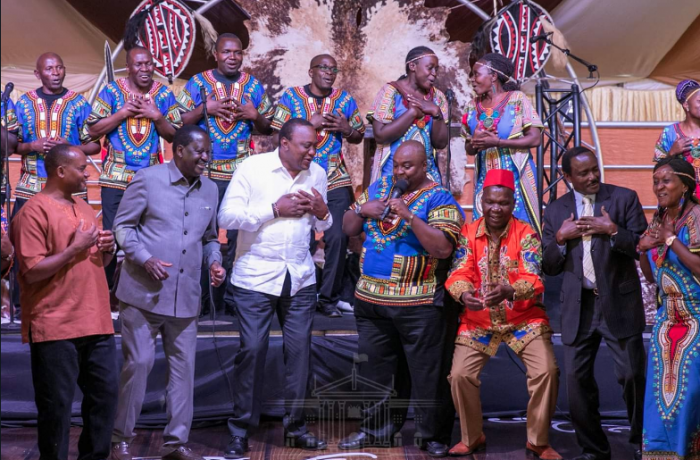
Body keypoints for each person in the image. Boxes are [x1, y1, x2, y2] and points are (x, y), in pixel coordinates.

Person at [339, 140, 464, 457]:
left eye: (407, 166)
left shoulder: (440, 198)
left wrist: (410, 217)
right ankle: (375, 431)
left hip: (419, 303)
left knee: (428, 374)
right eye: (396, 164)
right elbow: (348, 228)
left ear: (424, 167)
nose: (399, 171)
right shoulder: (379, 188)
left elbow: (443, 248)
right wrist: (359, 209)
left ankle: (432, 435)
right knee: (376, 372)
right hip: (371, 301)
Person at [110, 125, 225, 460]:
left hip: (186, 297)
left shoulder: (211, 189)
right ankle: (120, 439)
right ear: (178, 150)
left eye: (208, 152)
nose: (206, 158)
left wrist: (215, 262)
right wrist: (145, 259)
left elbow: (209, 238)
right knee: (140, 363)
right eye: (199, 152)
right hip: (142, 294)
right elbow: (123, 227)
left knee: (183, 371)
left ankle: (175, 444)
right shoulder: (148, 179)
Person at [218, 118, 330, 458]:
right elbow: (227, 217)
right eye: (305, 146)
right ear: (284, 143)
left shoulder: (318, 175)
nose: (312, 152)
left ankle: (295, 428)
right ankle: (240, 429)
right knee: (252, 350)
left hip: (299, 278)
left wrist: (324, 214)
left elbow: (322, 223)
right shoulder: (253, 168)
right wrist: (272, 210)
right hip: (254, 277)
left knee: (299, 356)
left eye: (314, 146)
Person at [10, 144, 118, 460]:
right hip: (55, 325)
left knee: (105, 398)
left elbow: (94, 258)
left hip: (96, 320)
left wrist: (106, 248)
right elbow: (30, 272)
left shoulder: (84, 207)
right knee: (56, 408)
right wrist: (74, 248)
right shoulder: (32, 211)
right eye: (82, 168)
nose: (88, 173)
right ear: (60, 171)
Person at [445, 169, 561, 459]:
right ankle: (472, 437)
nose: (496, 208)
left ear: (513, 203)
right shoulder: (468, 233)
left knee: (546, 371)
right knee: (460, 375)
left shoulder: (527, 234)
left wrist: (511, 290)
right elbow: (459, 270)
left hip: (524, 319)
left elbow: (534, 276)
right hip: (478, 321)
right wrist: (463, 293)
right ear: (481, 201)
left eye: (504, 203)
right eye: (490, 202)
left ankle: (538, 440)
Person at [542, 147, 647, 460]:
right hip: (579, 306)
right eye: (583, 173)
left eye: (594, 170)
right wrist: (560, 239)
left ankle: (644, 443)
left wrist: (613, 230)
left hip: (618, 301)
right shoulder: (556, 210)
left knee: (632, 376)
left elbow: (643, 247)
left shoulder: (623, 198)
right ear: (567, 177)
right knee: (577, 384)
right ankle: (593, 450)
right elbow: (548, 266)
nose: (592, 177)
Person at [178, 33, 274, 313]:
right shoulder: (198, 83)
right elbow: (176, 121)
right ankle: (199, 302)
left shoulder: (252, 85)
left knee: (237, 240)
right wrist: (203, 109)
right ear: (216, 55)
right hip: (203, 173)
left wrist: (255, 116)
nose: (232, 57)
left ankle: (231, 301)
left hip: (241, 174)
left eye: (237, 52)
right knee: (198, 236)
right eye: (227, 52)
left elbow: (270, 127)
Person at [272, 53, 365, 317]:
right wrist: (308, 125)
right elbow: (277, 131)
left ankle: (328, 299)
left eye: (333, 69)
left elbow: (358, 135)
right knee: (295, 232)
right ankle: (293, 295)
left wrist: (347, 129)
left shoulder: (344, 100)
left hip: (335, 178)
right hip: (298, 177)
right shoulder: (291, 97)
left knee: (338, 235)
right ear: (311, 71)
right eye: (323, 68)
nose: (328, 72)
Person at [82, 46, 182, 287]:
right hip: (114, 179)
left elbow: (176, 137)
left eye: (149, 63)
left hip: (152, 179)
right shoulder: (111, 92)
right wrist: (122, 113)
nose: (145, 69)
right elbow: (92, 130)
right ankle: (107, 296)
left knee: (150, 236)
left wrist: (157, 116)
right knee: (111, 238)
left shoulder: (163, 94)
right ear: (128, 67)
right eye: (139, 64)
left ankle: (145, 292)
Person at [637, 157, 700, 460]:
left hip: (696, 316)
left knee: (689, 393)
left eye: (666, 180)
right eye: (656, 181)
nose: (659, 186)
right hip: (667, 320)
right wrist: (642, 250)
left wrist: (670, 239)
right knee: (658, 397)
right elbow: (651, 276)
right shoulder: (659, 217)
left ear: (686, 185)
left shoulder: (697, 217)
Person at [462, 53, 543, 233]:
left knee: (520, 228)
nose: (472, 80)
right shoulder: (471, 106)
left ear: (493, 76)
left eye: (476, 74)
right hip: (486, 177)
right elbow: (468, 147)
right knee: (485, 230)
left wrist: (498, 142)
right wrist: (474, 142)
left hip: (516, 175)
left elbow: (535, 138)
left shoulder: (517, 99)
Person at [12, 52, 100, 209]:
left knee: (73, 232)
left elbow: (95, 146)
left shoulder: (78, 103)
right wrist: (33, 146)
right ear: (37, 74)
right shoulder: (24, 103)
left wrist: (69, 148)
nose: (55, 73)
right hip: (31, 187)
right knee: (27, 232)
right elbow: (13, 146)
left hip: (70, 188)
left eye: (59, 68)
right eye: (49, 68)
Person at [367, 46, 449, 184]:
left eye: (436, 69)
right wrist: (412, 113)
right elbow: (380, 135)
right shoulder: (390, 92)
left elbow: (440, 143)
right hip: (392, 174)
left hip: (427, 176)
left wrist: (437, 113)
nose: (434, 73)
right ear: (412, 66)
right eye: (430, 68)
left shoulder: (438, 97)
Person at [653, 79, 700, 197]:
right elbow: (658, 171)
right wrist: (672, 153)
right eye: (699, 101)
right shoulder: (670, 133)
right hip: (682, 198)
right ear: (686, 105)